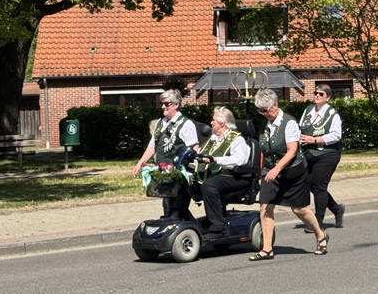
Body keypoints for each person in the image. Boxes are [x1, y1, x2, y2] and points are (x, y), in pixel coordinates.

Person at [251, 89, 328, 260]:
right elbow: (264, 149)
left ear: (275, 105)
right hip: (271, 172)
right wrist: (260, 171)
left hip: (293, 172)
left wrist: (276, 169)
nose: (263, 114)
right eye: (260, 111)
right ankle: (267, 248)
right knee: (265, 206)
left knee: (299, 209)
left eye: (265, 110)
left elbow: (292, 151)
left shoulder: (289, 122)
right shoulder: (265, 124)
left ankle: (320, 234)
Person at [131, 89, 199, 219]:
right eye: (161, 103)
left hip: (180, 173)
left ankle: (184, 227)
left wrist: (189, 170)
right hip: (163, 171)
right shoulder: (160, 123)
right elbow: (153, 146)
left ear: (176, 105)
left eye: (167, 104)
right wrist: (140, 163)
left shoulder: (186, 124)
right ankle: (186, 226)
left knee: (176, 206)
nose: (163, 107)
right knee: (168, 205)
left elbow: (194, 149)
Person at [192, 107, 252, 236]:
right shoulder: (212, 140)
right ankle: (182, 219)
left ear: (222, 123)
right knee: (183, 182)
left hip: (235, 176)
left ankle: (218, 227)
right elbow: (200, 157)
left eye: (213, 120)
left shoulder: (236, 139)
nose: (211, 123)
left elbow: (240, 160)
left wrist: (215, 160)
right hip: (215, 176)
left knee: (209, 185)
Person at [298, 84, 346, 229]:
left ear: (328, 97)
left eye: (321, 94)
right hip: (309, 153)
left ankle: (318, 222)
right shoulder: (308, 110)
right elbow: (300, 127)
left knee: (319, 187)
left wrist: (314, 140)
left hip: (328, 154)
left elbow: (336, 135)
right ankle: (337, 209)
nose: (317, 96)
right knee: (311, 185)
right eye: (316, 93)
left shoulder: (332, 114)